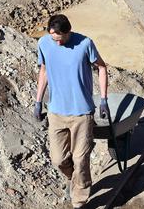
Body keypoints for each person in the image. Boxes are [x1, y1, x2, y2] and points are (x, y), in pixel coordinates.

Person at [34, 14, 109, 207]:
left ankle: (79, 200)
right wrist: (38, 101)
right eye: (53, 39)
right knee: (58, 159)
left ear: (68, 32)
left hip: (81, 113)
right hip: (56, 112)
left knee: (80, 159)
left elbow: (101, 67)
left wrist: (103, 100)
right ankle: (75, 179)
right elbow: (44, 69)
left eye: (60, 39)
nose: (57, 44)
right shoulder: (44, 43)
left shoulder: (84, 44)